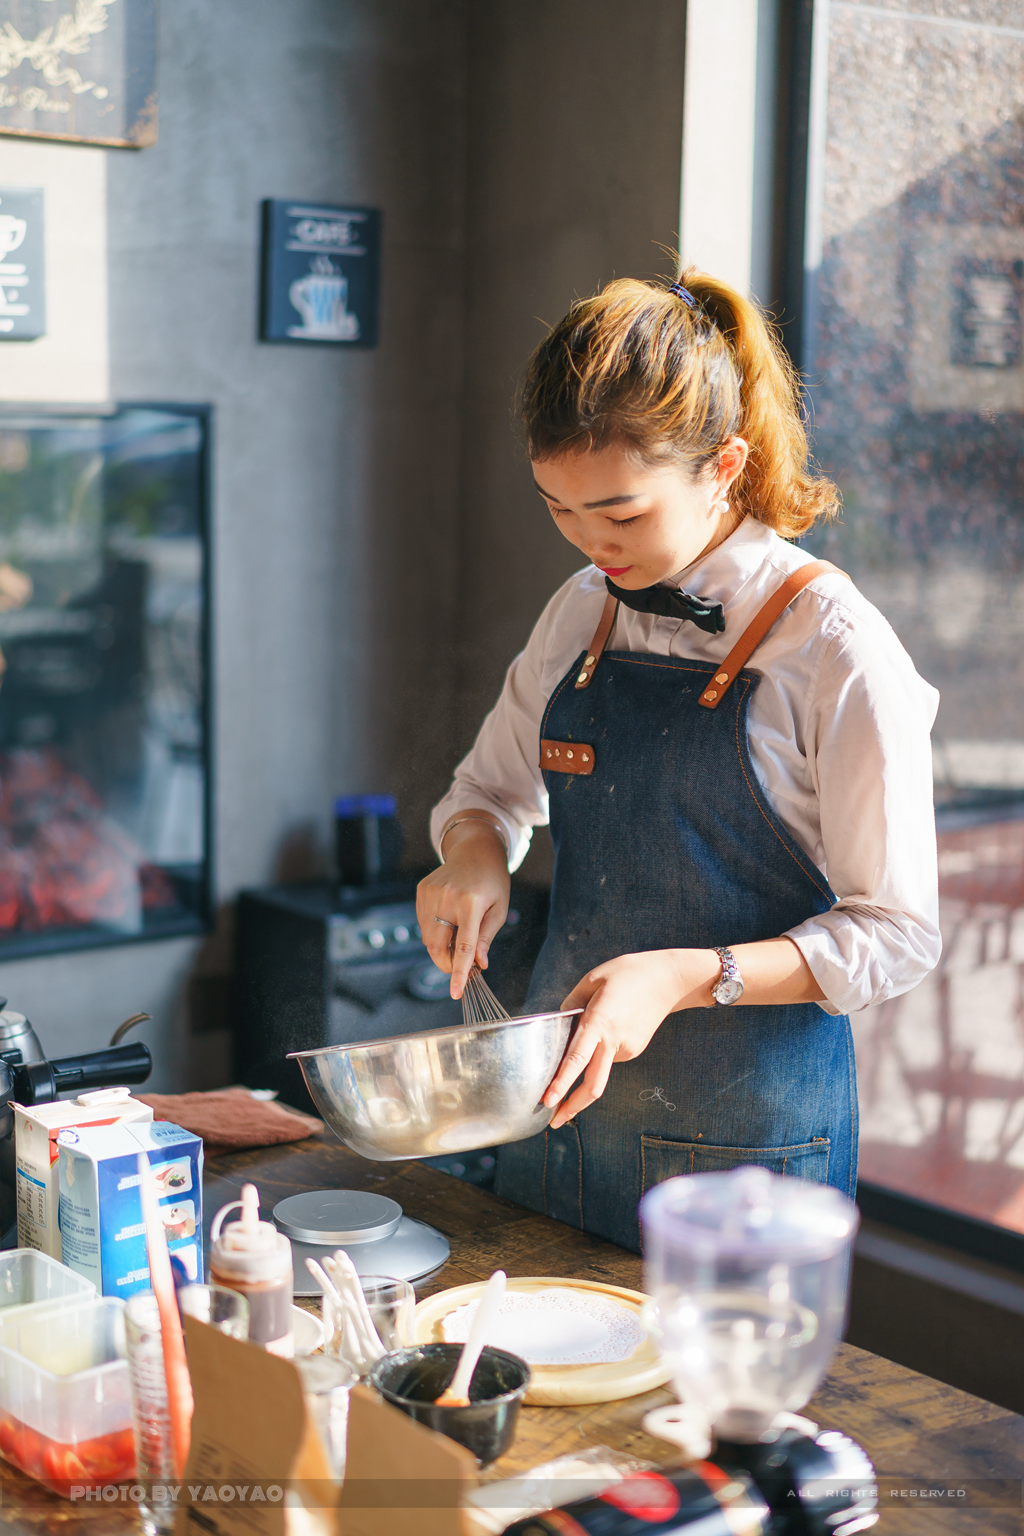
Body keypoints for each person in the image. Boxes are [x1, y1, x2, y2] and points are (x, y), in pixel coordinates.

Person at [416, 269, 940, 1252]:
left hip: (747, 1168)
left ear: (723, 465)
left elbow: (897, 934)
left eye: (620, 514)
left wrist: (686, 978)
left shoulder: (836, 651)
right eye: (560, 510)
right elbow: (484, 792)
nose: (589, 543)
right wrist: (474, 856)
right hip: (559, 1125)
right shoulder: (582, 608)